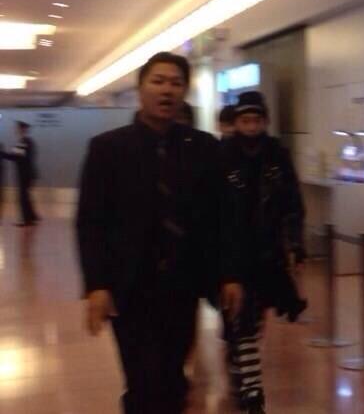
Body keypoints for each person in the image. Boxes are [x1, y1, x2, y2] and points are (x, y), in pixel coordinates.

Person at [76, 52, 243, 414]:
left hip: (183, 284)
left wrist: (229, 274)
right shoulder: (108, 149)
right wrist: (96, 285)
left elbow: (222, 217)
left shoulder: (204, 148)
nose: (167, 90)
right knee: (141, 380)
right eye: (158, 81)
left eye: (176, 83)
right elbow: (90, 222)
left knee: (171, 373)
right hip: (129, 285)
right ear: (141, 89)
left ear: (184, 92)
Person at [219, 91, 307, 414]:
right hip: (232, 254)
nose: (252, 126)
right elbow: (213, 208)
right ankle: (254, 394)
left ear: (265, 121)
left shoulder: (277, 156)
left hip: (268, 255)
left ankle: (242, 369)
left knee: (253, 322)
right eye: (246, 120)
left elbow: (292, 204)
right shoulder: (223, 156)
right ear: (237, 122)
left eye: (256, 120)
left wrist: (295, 244)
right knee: (242, 321)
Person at [2, 121, 39, 227]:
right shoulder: (26, 142)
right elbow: (17, 156)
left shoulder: (24, 142)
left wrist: (2, 153)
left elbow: (15, 157)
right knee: (26, 196)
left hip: (24, 174)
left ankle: (27, 220)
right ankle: (32, 217)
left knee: (23, 197)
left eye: (18, 128)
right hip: (27, 173)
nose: (16, 130)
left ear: (23, 129)